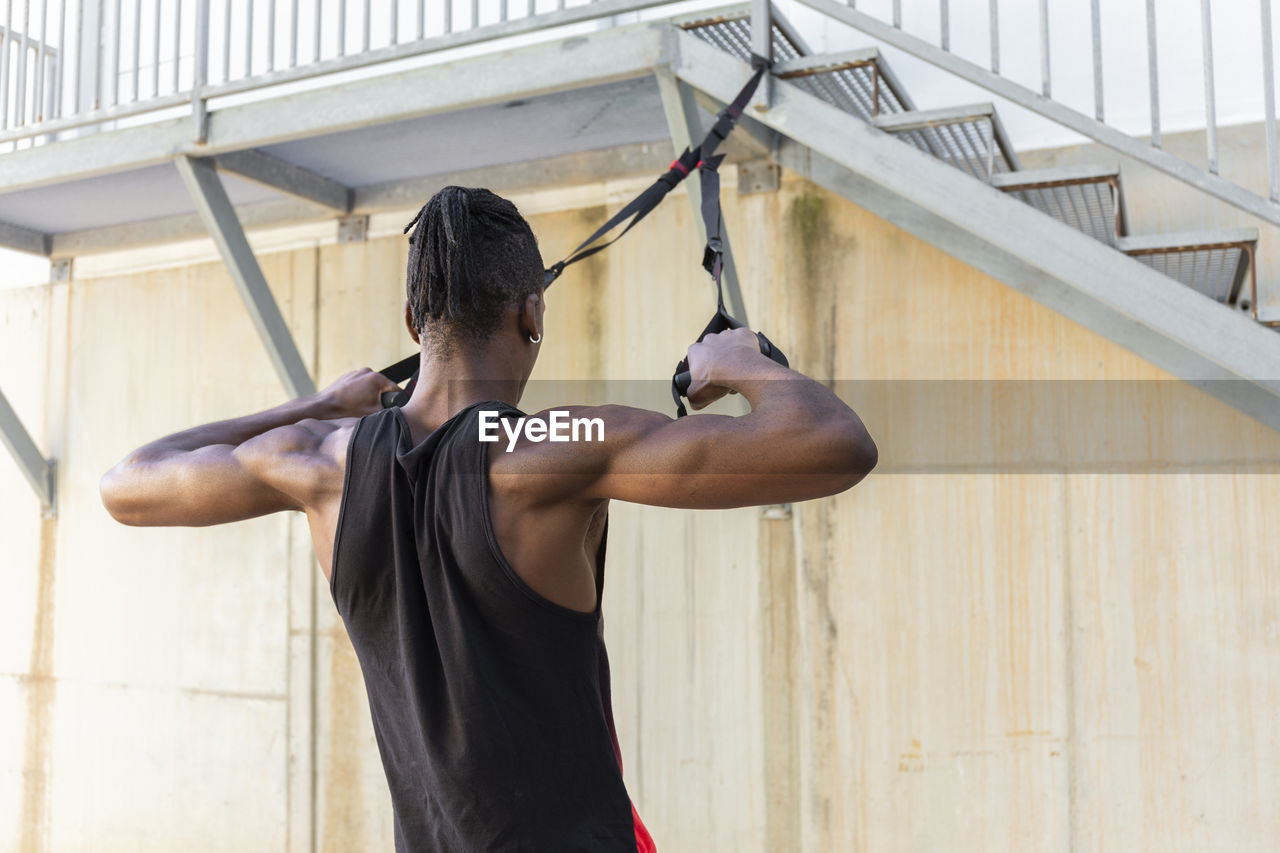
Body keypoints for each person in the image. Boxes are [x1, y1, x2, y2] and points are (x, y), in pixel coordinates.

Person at [99, 186, 877, 852]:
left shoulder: (317, 459)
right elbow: (837, 445)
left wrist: (318, 404)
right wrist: (742, 362)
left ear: (413, 320)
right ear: (531, 314)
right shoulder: (551, 448)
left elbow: (127, 483)